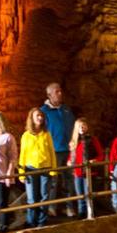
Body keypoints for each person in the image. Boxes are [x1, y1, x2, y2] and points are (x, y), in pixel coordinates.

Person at [19, 106, 57, 227]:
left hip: (45, 168)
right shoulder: (26, 135)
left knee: (44, 197)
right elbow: (23, 154)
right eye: (37, 116)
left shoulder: (46, 134)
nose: (40, 118)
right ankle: (31, 221)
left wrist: (53, 170)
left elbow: (51, 152)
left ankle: (41, 221)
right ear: (32, 118)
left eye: (41, 116)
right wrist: (21, 172)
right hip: (30, 169)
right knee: (31, 198)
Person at [42, 82, 74, 218]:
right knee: (53, 181)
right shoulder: (44, 112)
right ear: (49, 95)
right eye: (57, 92)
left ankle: (69, 207)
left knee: (69, 180)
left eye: (60, 91)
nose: (60, 93)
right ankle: (52, 207)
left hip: (69, 150)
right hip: (54, 150)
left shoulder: (66, 110)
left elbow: (74, 127)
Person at [68, 117, 104, 218]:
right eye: (79, 126)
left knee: (88, 193)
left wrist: (94, 161)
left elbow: (100, 155)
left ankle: (90, 212)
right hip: (77, 172)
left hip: (89, 171)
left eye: (83, 126)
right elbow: (71, 156)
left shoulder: (93, 140)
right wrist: (69, 161)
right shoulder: (74, 142)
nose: (82, 128)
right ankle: (81, 213)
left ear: (87, 127)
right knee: (80, 194)